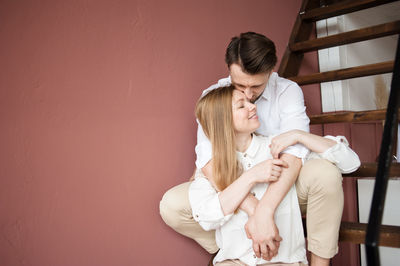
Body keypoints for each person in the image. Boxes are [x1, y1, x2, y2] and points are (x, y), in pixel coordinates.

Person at [159, 32, 354, 266]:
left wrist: (265, 211)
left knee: (325, 173)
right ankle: (237, 247)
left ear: (271, 71)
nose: (249, 96)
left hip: (283, 180)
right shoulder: (214, 98)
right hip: (235, 181)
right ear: (228, 70)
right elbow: (211, 163)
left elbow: (295, 155)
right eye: (240, 86)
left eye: (256, 86)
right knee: (172, 204)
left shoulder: (287, 91)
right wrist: (255, 211)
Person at [189, 85, 360, 266]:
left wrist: (299, 136)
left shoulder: (280, 149)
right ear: (221, 121)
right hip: (234, 262)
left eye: (250, 102)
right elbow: (206, 217)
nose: (253, 106)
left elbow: (350, 162)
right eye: (241, 105)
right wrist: (251, 176)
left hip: (284, 262)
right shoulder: (210, 168)